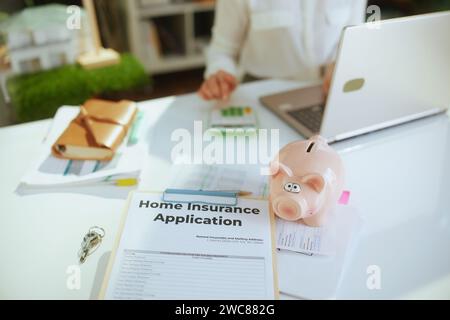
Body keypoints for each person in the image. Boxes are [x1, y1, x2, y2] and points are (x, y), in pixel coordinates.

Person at [198, 0, 367, 101]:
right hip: (261, 95)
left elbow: (354, 40)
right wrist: (220, 74)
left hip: (326, 96)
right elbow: (222, 50)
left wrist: (341, 63)